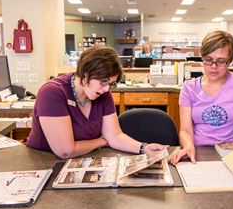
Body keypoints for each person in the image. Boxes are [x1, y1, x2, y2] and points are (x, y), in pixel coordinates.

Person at [26, 46, 167, 159]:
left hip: (83, 160)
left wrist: (144, 148)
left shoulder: (103, 94)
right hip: (44, 162)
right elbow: (65, 151)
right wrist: (103, 141)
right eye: (103, 81)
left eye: (111, 83)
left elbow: (116, 136)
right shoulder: (52, 93)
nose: (107, 89)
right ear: (86, 73)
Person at [170, 30, 233, 165]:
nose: (213, 66)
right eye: (208, 60)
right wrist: (188, 147)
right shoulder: (189, 88)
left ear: (230, 61)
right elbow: (186, 130)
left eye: (221, 61)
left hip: (232, 154)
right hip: (197, 153)